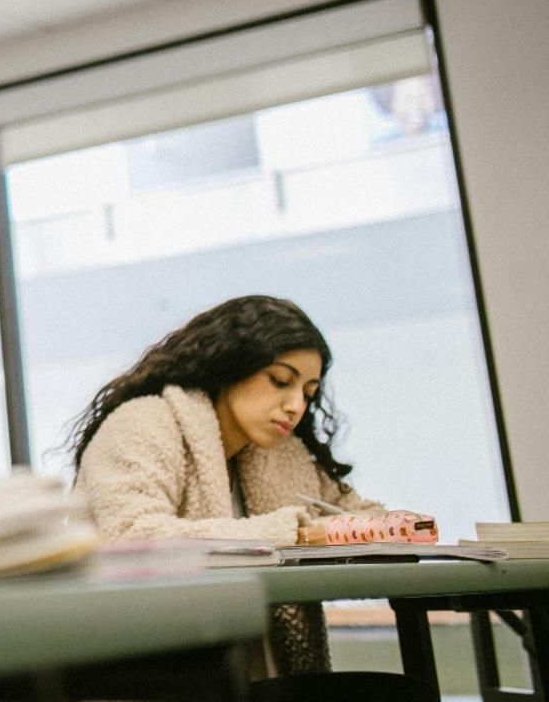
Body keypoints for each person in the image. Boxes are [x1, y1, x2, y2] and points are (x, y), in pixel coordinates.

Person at [68, 295, 435, 689]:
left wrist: (395, 524)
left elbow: (349, 509)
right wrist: (298, 534)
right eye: (280, 381)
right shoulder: (144, 423)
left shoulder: (280, 453)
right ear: (230, 365)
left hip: (249, 676)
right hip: (148, 675)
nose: (295, 406)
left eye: (308, 394)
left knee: (403, 690)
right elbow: (133, 536)